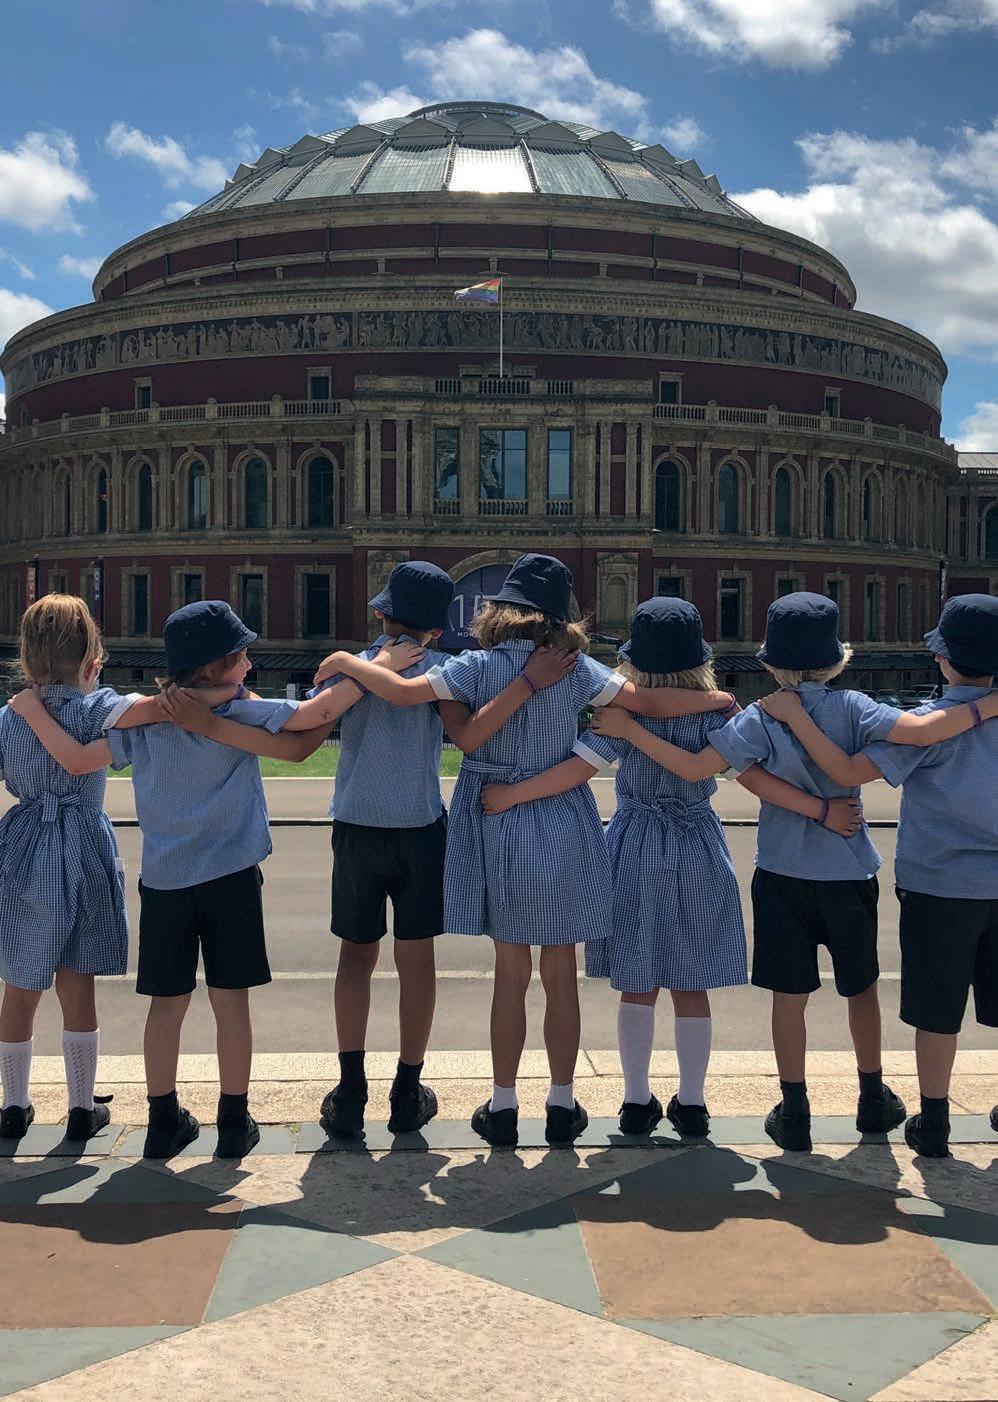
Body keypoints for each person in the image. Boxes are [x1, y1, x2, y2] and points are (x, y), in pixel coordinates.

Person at [311, 553, 739, 1147]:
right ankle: (561, 1104)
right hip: (563, 818)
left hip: (496, 820)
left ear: (498, 610)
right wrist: (713, 702)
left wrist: (341, 661)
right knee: (560, 973)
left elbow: (406, 696)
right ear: (562, 616)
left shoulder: (474, 666)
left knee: (509, 975)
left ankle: (505, 1104)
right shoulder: (577, 668)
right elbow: (645, 702)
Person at [594, 591, 994, 1152]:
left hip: (773, 869)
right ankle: (869, 1095)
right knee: (857, 989)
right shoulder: (851, 708)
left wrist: (633, 729)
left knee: (782, 994)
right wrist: (983, 708)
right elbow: (906, 738)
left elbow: (707, 768)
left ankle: (791, 1107)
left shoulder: (753, 716)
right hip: (848, 868)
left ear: (770, 662)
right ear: (838, 658)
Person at [11, 599, 355, 1159]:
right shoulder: (242, 713)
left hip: (165, 881)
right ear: (216, 666)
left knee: (166, 1004)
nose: (250, 665)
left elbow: (77, 759)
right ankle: (233, 1120)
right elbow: (314, 716)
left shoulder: (143, 719)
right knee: (231, 1001)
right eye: (241, 657)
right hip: (231, 875)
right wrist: (368, 669)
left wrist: (29, 710)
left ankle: (162, 1120)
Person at [288, 560, 575, 1139]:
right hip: (420, 828)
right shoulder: (443, 670)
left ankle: (350, 1089)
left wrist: (355, 662)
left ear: (380, 615)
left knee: (354, 958)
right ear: (439, 629)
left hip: (356, 825)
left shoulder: (353, 668)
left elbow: (314, 720)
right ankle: (406, 1087)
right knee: (417, 962)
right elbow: (464, 732)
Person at [554, 597, 861, 1139]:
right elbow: (755, 779)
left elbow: (578, 768)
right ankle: (692, 1102)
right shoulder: (720, 714)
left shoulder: (621, 714)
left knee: (637, 982)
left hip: (634, 841)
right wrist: (820, 809)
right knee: (691, 981)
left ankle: (635, 1100)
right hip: (696, 842)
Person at [758, 594, 998, 1158]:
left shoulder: (926, 726)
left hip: (938, 885)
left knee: (937, 1011)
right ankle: (893, 1099)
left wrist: (797, 722)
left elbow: (845, 770)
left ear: (942, 659)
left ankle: (932, 1124)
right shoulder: (893, 713)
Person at [0, 594, 165, 1141]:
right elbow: (149, 710)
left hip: (24, 847)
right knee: (78, 980)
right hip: (84, 845)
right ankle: (79, 1106)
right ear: (93, 660)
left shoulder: (10, 717)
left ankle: (14, 1104)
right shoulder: (98, 709)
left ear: (27, 658)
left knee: (19, 983)